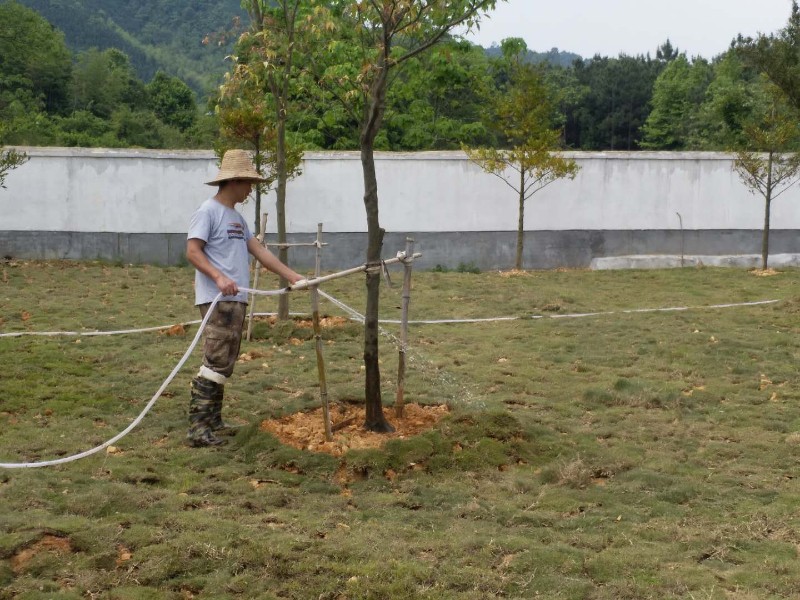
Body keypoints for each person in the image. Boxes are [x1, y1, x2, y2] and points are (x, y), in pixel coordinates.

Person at [185, 149, 304, 447]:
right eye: (248, 183)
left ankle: (213, 420)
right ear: (234, 181)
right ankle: (198, 428)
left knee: (226, 360)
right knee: (215, 359)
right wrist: (219, 278)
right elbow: (192, 251)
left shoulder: (237, 218)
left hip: (236, 299)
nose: (251, 189)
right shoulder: (207, 212)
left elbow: (260, 252)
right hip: (217, 298)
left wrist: (294, 277)